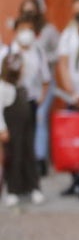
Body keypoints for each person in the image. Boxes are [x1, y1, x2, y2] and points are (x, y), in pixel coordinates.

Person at [8, 15, 48, 199]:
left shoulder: (38, 51)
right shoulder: (8, 52)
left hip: (31, 100)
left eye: (29, 29)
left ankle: (33, 186)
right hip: (11, 102)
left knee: (29, 144)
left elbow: (45, 78)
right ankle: (14, 188)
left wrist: (41, 97)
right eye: (22, 28)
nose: (26, 33)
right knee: (14, 146)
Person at [0, 52, 36, 206]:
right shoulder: (3, 88)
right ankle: (13, 189)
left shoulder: (21, 86)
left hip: (25, 128)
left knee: (28, 155)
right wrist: (2, 129)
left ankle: (31, 187)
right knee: (14, 157)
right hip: (12, 128)